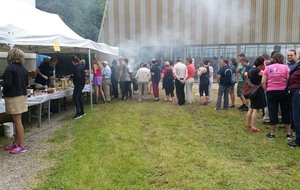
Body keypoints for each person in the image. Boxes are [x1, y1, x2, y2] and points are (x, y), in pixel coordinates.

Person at [1, 48, 28, 154]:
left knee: (17, 122)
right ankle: (16, 142)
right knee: (17, 121)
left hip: (13, 97)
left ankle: (22, 146)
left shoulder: (9, 69)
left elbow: (8, 84)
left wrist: (1, 83)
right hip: (21, 96)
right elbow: (26, 84)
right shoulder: (23, 69)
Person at [261, 52, 292, 139]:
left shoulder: (268, 68)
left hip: (271, 92)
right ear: (282, 59)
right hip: (283, 92)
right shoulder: (286, 67)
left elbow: (263, 82)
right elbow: (289, 80)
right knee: (286, 111)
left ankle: (272, 134)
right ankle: (288, 134)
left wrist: (266, 90)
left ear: (273, 59)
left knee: (272, 112)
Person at [245, 56, 267, 132]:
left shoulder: (251, 69)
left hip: (252, 90)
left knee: (251, 108)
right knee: (256, 109)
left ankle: (248, 124)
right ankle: (253, 126)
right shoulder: (259, 71)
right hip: (257, 91)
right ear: (262, 63)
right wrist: (265, 65)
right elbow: (266, 73)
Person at [286, 61, 300, 147]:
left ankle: (298, 140)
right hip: (295, 91)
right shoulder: (298, 65)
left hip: (298, 92)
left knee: (297, 117)